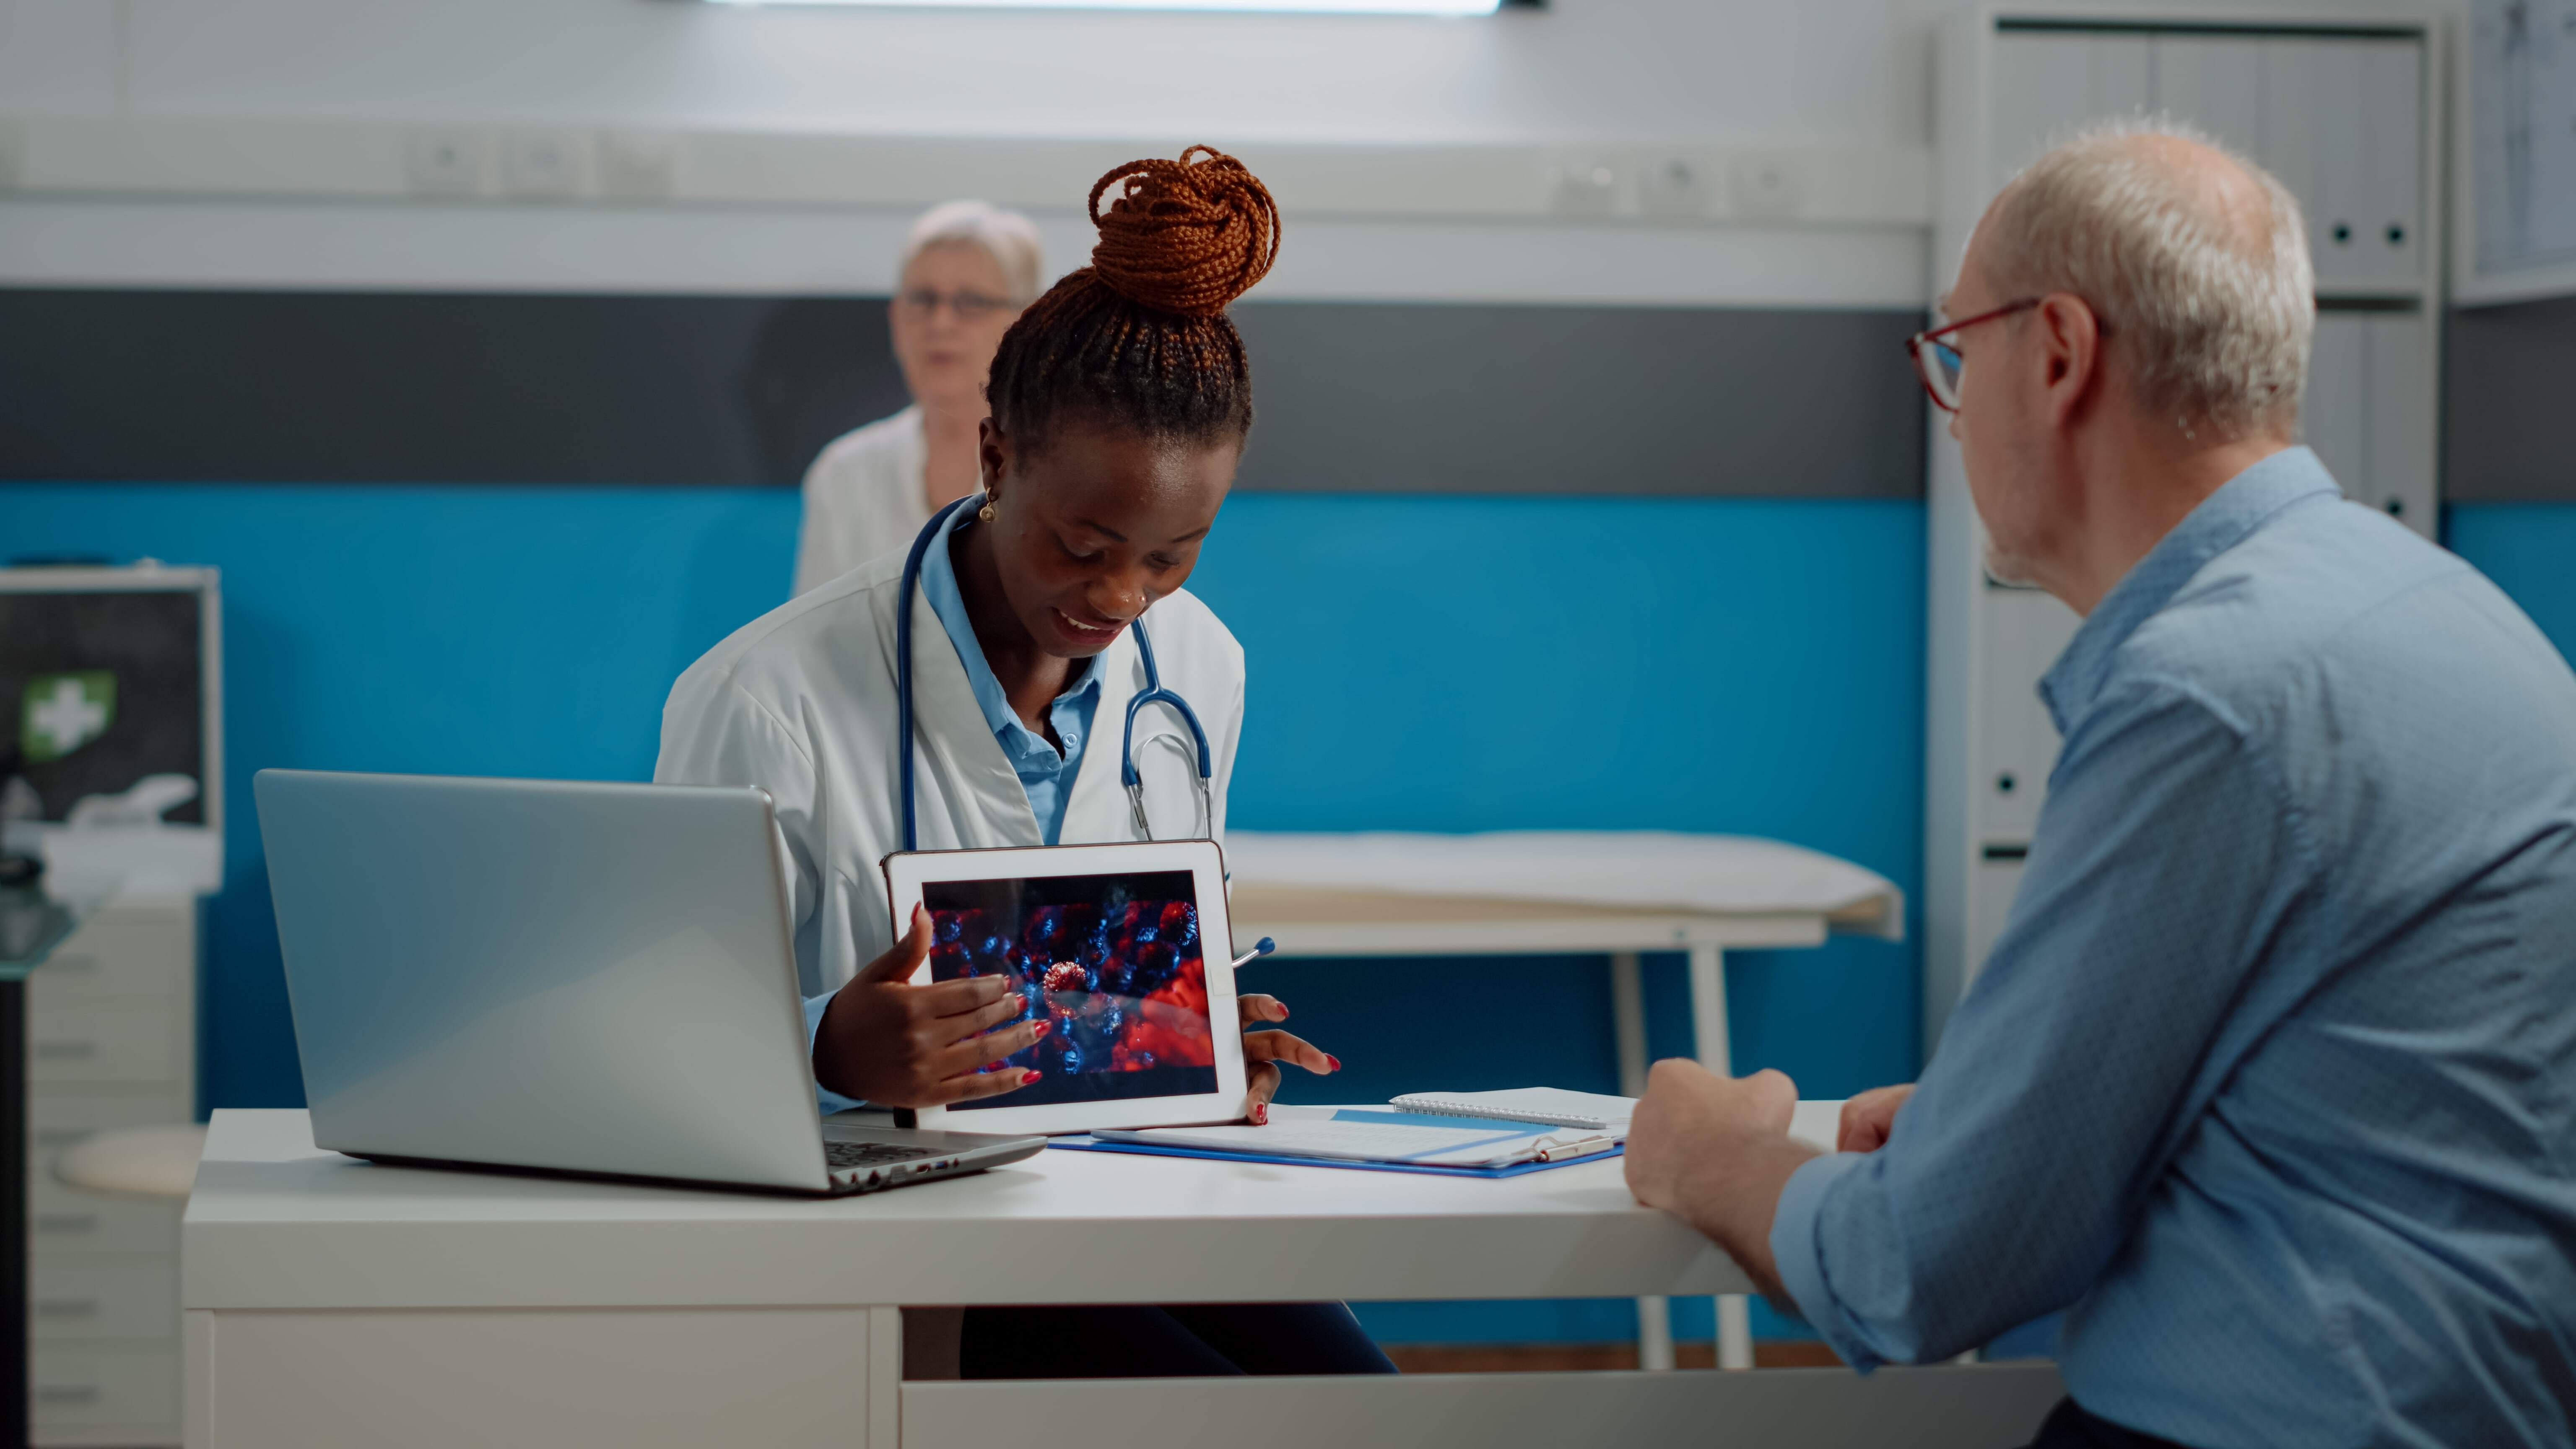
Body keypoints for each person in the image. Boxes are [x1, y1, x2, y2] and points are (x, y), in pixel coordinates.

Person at [1623, 118, 2576, 1448]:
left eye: (1956, 357)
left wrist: (1710, 1149)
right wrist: (1999, 1129)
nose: (1950, 418)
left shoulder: (2206, 693)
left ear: (2058, 355)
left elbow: (1918, 1271)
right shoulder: (2442, 608)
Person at [658, 147, 1393, 1379]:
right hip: (876, 1244)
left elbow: (1116, 973)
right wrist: (828, 1049)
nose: (1120, 596)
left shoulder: (1199, 668)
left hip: (1118, 1201)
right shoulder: (763, 697)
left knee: (1357, 1405)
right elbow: (649, 1050)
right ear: (996, 459)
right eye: (1082, 544)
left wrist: (1194, 1048)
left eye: (1170, 556)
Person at [792, 200, 1046, 597]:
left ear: (1026, 321)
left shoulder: (1063, 470)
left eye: (972, 302)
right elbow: (813, 644)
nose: (940, 323)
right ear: (895, 318)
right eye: (923, 300)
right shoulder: (844, 475)